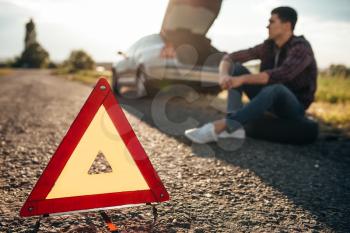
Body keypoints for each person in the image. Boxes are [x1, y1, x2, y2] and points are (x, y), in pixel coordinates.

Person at [185, 6, 318, 144]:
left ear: (287, 25)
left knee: (275, 88)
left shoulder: (301, 48)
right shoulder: (268, 46)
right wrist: (224, 76)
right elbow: (230, 58)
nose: (267, 26)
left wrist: (242, 80)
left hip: (293, 106)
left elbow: (281, 75)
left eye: (272, 22)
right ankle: (234, 129)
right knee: (236, 69)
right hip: (268, 96)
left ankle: (222, 126)